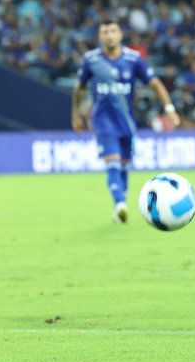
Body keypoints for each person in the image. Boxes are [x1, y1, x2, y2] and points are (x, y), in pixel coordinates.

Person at [72, 20, 181, 223]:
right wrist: (75, 115)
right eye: (105, 31)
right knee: (112, 162)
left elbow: (155, 83)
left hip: (127, 121)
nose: (109, 35)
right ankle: (120, 203)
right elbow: (78, 88)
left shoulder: (133, 59)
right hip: (102, 120)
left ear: (121, 35)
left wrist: (169, 109)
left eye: (113, 30)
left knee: (123, 164)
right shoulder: (91, 59)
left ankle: (118, 207)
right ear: (100, 37)